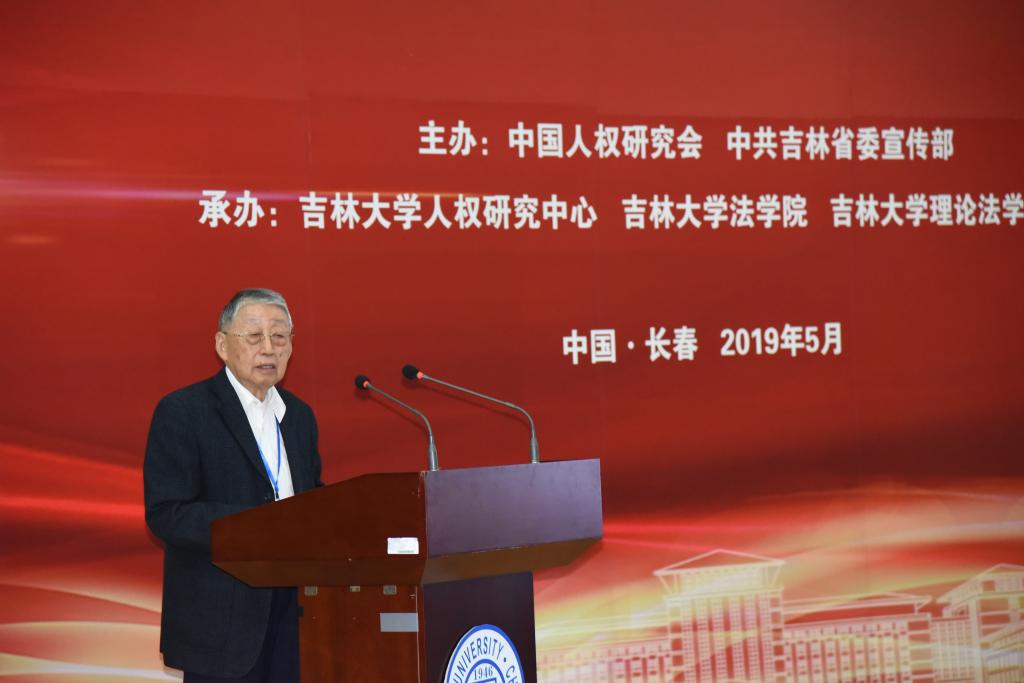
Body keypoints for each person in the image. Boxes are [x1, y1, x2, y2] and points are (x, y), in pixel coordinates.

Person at [144, 288, 323, 682]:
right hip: (222, 626)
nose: (269, 348)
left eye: (279, 336)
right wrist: (259, 527)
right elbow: (167, 514)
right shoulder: (184, 412)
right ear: (223, 345)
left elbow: (312, 501)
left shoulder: (299, 417)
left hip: (295, 619)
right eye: (254, 336)